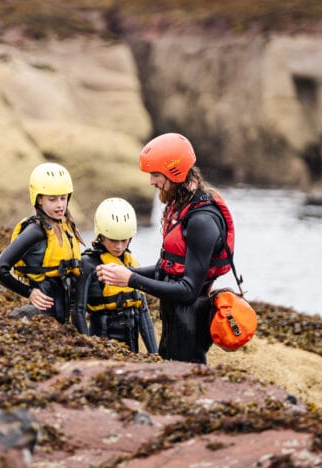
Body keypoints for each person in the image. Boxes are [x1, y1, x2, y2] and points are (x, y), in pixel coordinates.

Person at [97, 133, 235, 364]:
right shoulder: (180, 206)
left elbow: (188, 290)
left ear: (175, 173)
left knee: (186, 381)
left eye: (155, 175)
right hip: (175, 319)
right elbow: (166, 269)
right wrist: (117, 273)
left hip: (190, 321)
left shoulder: (201, 221)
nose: (151, 181)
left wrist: (131, 279)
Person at [0, 162, 83, 324]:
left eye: (63, 198)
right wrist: (29, 292)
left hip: (62, 316)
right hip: (42, 316)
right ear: (39, 199)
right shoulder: (35, 231)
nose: (60, 205)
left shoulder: (64, 227)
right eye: (52, 200)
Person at [72, 197, 158, 353]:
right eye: (113, 240)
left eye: (124, 240)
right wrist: (90, 350)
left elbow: (143, 312)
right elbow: (78, 311)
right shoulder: (87, 264)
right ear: (101, 235)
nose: (119, 247)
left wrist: (154, 353)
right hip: (102, 347)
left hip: (132, 349)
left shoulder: (131, 263)